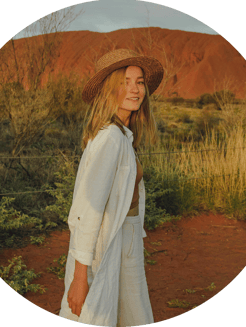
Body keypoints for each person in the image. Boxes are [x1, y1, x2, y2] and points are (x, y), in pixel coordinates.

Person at [58, 49, 164, 326]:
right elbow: (88, 209)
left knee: (130, 313)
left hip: (125, 236)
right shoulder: (111, 140)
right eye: (125, 81)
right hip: (105, 243)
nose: (135, 89)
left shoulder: (123, 136)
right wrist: (80, 277)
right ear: (109, 89)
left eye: (139, 82)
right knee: (97, 315)